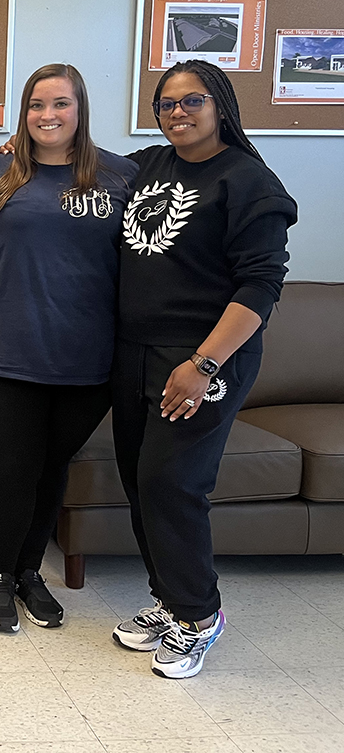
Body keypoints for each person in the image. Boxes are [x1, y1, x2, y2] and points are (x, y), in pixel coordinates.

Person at [109, 61, 296, 678]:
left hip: (200, 357)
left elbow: (262, 286)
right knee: (141, 480)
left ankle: (199, 613)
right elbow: (80, 167)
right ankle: (168, 601)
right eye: (166, 104)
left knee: (172, 483)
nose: (178, 113)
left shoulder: (249, 183)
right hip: (134, 351)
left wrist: (203, 363)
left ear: (220, 104)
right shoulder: (147, 165)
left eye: (192, 101)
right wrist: (20, 147)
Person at [0, 63, 136, 634]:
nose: (47, 116)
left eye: (60, 104)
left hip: (88, 356)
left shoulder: (122, 177)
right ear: (22, 112)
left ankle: (31, 573)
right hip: (1, 351)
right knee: (10, 465)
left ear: (81, 110)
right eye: (36, 105)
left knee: (53, 467)